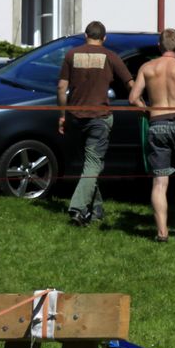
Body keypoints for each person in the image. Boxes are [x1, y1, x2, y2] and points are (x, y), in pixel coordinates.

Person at [57, 20, 134, 227]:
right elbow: (130, 82)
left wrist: (62, 115)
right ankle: (78, 209)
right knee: (92, 165)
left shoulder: (71, 55)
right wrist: (139, 100)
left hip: (76, 116)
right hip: (99, 117)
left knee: (90, 164)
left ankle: (96, 209)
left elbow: (61, 86)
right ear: (104, 38)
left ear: (86, 35)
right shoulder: (110, 56)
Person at [129, 28, 175, 241]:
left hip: (157, 124)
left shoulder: (147, 67)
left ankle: (162, 232)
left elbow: (134, 97)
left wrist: (148, 110)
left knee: (160, 182)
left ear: (159, 46)